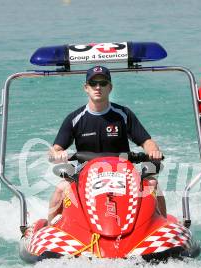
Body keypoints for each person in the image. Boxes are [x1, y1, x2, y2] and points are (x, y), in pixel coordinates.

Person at [48, 65, 165, 224]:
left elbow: (147, 142)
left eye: (103, 83)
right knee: (61, 189)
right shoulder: (75, 118)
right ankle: (49, 228)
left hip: (123, 172)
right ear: (86, 88)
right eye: (93, 83)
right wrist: (57, 154)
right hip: (84, 174)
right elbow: (55, 149)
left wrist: (153, 151)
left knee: (152, 184)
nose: (98, 87)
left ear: (110, 87)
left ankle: (163, 225)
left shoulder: (123, 114)